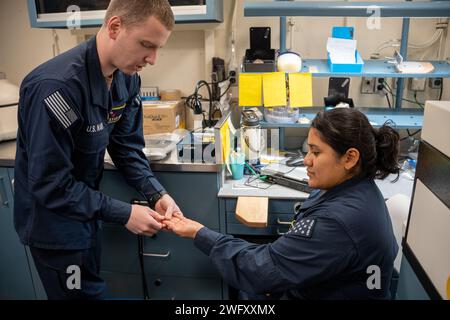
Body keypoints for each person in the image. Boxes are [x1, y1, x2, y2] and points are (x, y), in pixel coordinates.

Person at [14, 0, 181, 300]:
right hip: (55, 228)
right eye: (146, 44)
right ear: (115, 27)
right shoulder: (56, 88)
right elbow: (51, 185)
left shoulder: (126, 80)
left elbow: (127, 149)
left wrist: (157, 193)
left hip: (87, 215)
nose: (152, 59)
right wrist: (124, 213)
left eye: (158, 48)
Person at [164, 108, 400, 300]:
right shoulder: (356, 188)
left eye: (316, 153)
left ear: (350, 158)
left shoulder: (338, 222)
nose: (307, 160)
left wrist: (200, 233)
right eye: (308, 150)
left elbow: (261, 272)